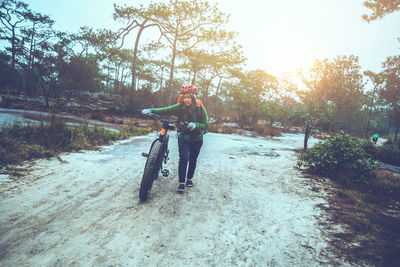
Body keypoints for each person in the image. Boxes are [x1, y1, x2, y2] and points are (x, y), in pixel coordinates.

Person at [141, 84, 209, 193]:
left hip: (197, 138)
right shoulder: (180, 107)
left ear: (193, 97)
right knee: (184, 158)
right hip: (183, 136)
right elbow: (165, 110)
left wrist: (196, 125)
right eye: (184, 97)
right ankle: (182, 182)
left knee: (193, 159)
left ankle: (189, 179)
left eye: (188, 97)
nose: (186, 99)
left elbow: (206, 124)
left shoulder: (200, 109)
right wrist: (151, 110)